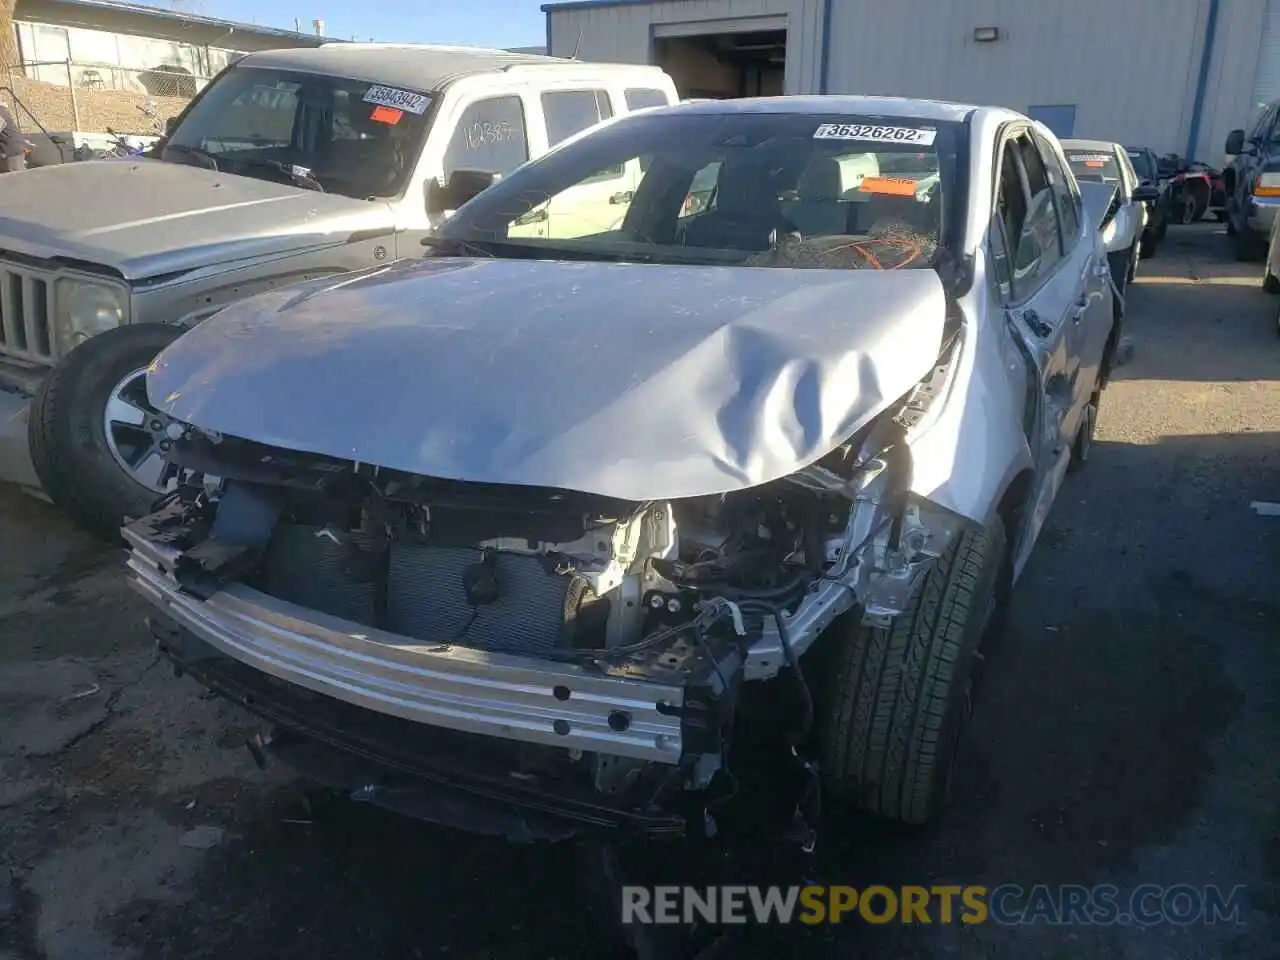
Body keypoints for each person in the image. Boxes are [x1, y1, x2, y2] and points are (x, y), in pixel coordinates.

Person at [0, 101, 33, 172]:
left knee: (16, 176)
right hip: (14, 148)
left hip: (14, 150)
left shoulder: (1, 114)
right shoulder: (3, 112)